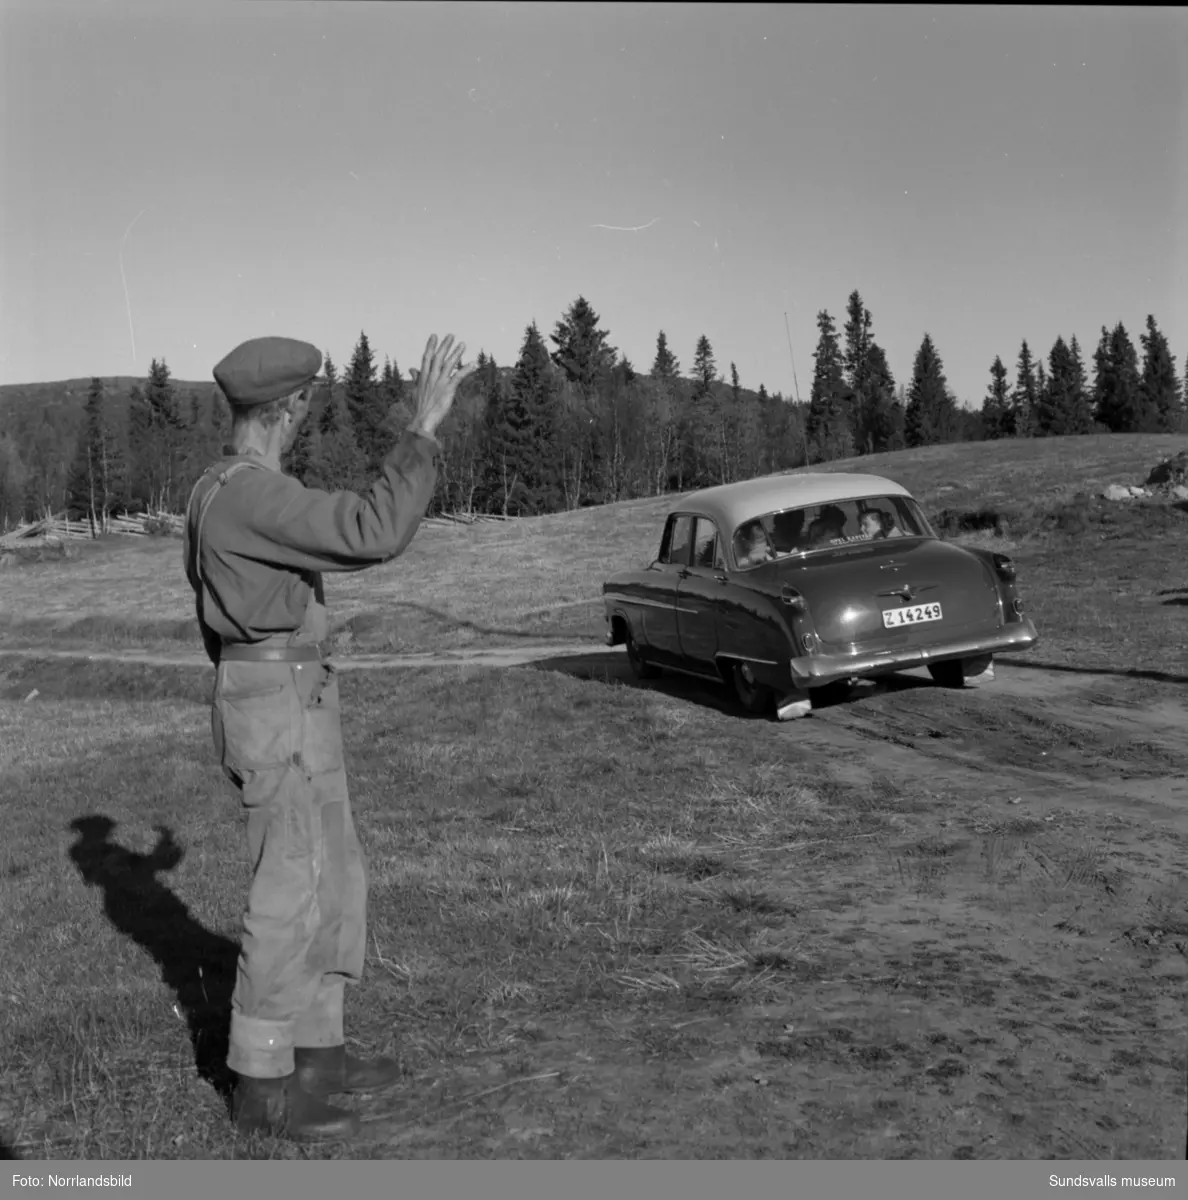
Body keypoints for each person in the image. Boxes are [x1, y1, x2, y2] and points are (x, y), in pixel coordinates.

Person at [183, 333, 476, 1142]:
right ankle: (262, 1085)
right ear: (290, 409)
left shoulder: (232, 487)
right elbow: (373, 528)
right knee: (290, 886)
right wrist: (422, 428)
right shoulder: (248, 495)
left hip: (293, 690)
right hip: (277, 697)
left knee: (335, 871)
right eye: (307, 403)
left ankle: (318, 1052)